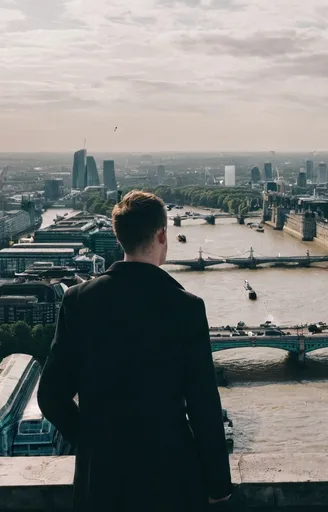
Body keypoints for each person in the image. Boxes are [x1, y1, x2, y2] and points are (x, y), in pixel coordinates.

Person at [38, 191, 232, 512]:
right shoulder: (186, 307)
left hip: (101, 481)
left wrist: (93, 443)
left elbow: (50, 397)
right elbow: (204, 406)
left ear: (119, 237)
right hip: (171, 477)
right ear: (161, 235)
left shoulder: (78, 300)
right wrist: (218, 485)